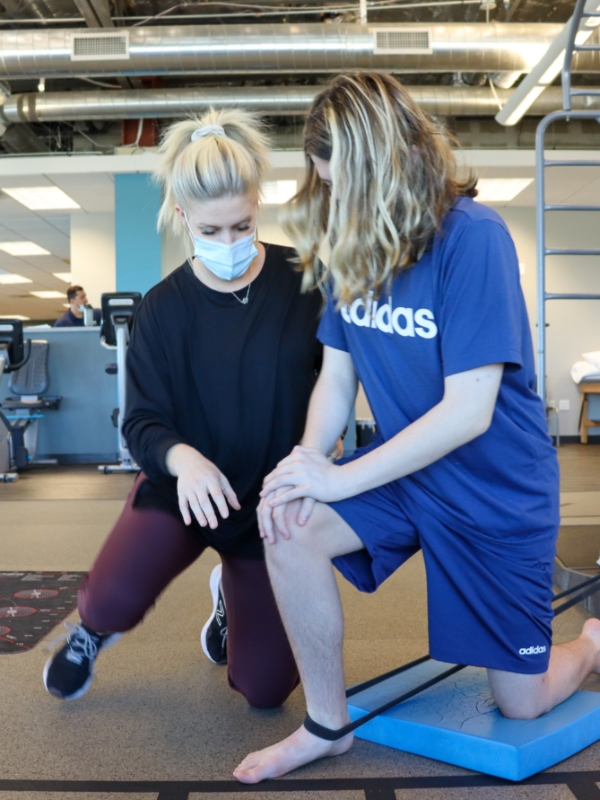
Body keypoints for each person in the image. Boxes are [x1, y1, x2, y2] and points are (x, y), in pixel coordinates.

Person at [233, 72, 600, 784]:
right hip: (405, 476)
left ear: (395, 164)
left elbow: (470, 411)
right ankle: (325, 724)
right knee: (288, 520)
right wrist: (306, 465)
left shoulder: (475, 239)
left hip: (496, 492)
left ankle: (588, 643)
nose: (341, 204)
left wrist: (338, 474)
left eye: (350, 188)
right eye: (329, 188)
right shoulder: (352, 244)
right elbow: (337, 379)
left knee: (521, 704)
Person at [43, 109, 323, 708]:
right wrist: (183, 459)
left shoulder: (305, 282)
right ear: (182, 218)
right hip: (182, 493)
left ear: (258, 207)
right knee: (109, 599)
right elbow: (140, 422)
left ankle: (227, 598)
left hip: (266, 509)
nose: (229, 244)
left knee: (267, 690)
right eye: (211, 231)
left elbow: (336, 377)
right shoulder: (162, 310)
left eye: (241, 225)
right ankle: (91, 632)